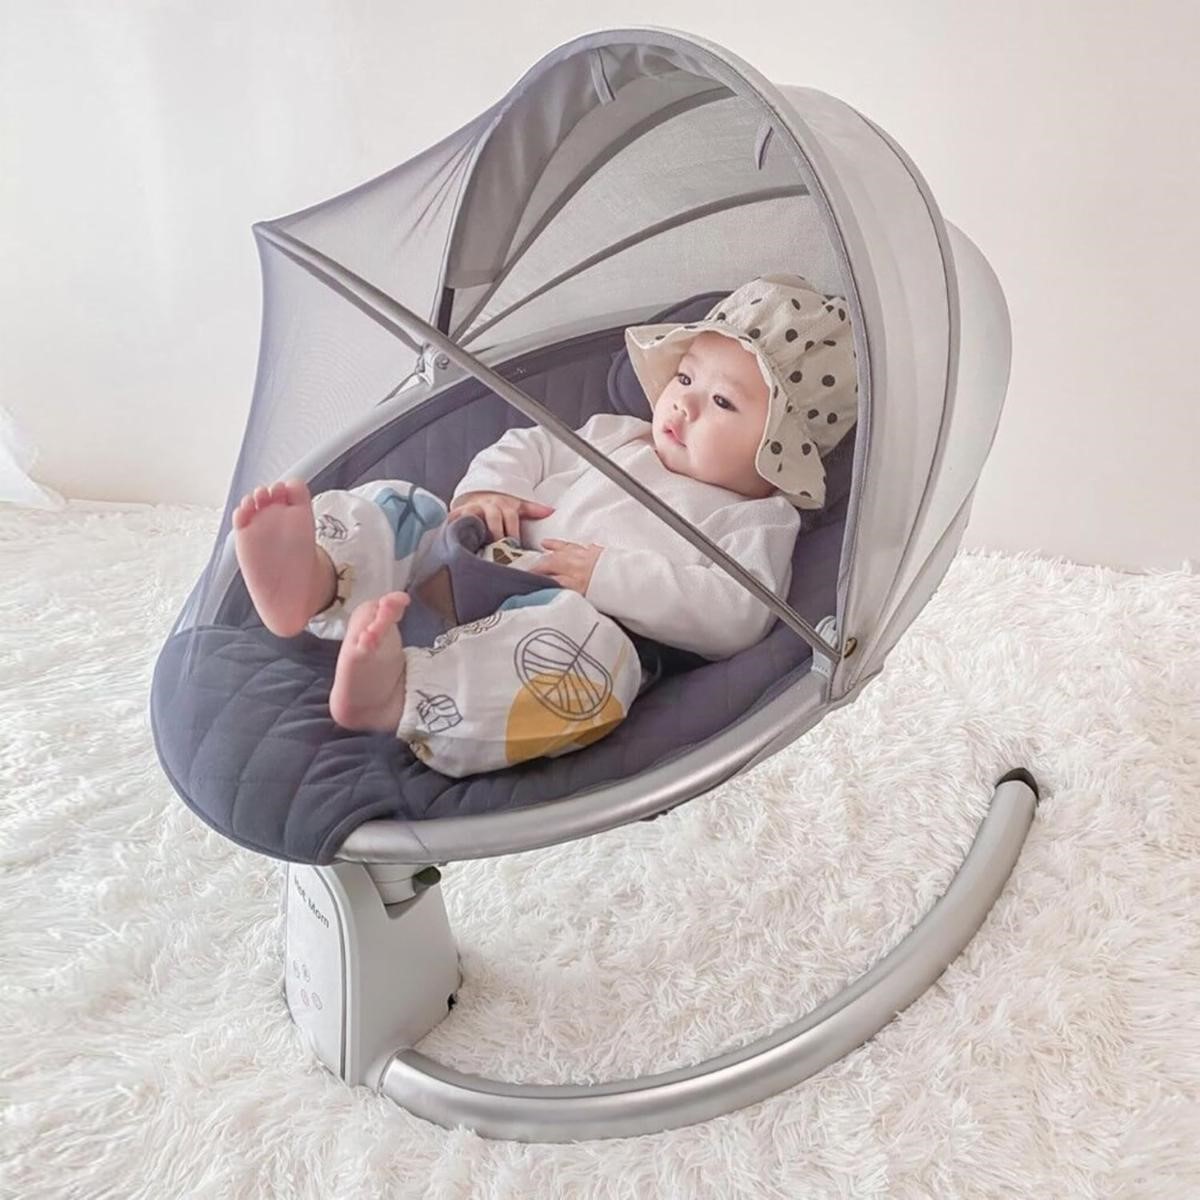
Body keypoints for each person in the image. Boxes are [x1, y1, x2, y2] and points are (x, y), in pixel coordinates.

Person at [232, 275, 856, 777]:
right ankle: (318, 579)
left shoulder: (758, 518)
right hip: (482, 554)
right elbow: (527, 445)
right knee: (407, 507)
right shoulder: (620, 434)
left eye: (722, 402)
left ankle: (404, 693)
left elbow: (737, 614)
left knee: (593, 676)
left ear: (781, 450)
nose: (684, 403)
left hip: (572, 628)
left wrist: (605, 576)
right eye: (686, 377)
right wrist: (491, 490)